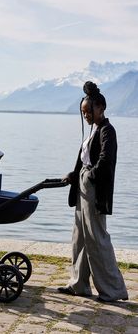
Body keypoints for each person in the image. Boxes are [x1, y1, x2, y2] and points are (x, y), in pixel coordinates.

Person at [58, 81, 128, 302]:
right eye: (83, 112)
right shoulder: (94, 131)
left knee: (97, 238)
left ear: (100, 108)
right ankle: (79, 284)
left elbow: (106, 161)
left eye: (89, 111)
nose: (86, 115)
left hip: (93, 188)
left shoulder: (108, 130)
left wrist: (90, 176)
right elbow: (84, 159)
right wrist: (74, 174)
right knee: (79, 236)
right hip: (83, 185)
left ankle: (113, 290)